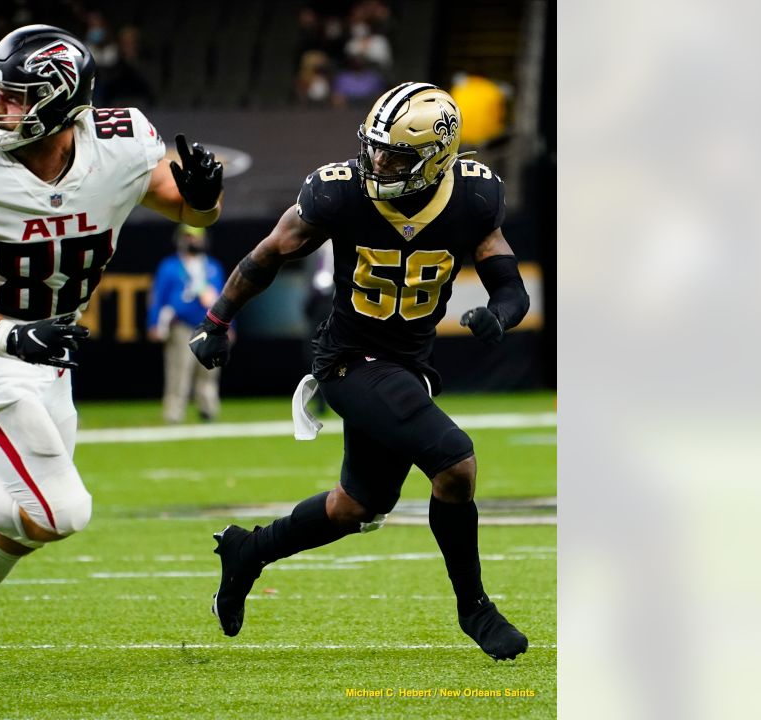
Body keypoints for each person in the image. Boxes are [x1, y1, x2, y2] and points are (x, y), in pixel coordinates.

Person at [0, 25, 223, 709]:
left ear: (63, 104)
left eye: (14, 97)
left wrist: (205, 197)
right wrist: (8, 332)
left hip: (50, 354)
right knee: (62, 510)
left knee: (23, 525)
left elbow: (192, 214)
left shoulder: (120, 145)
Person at [188, 82, 531, 661]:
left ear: (438, 158)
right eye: (375, 148)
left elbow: (510, 287)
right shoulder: (339, 193)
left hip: (408, 364)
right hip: (347, 359)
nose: (379, 162)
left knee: (357, 506)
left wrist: (499, 315)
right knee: (455, 463)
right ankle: (475, 608)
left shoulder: (474, 197)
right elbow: (268, 253)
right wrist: (217, 322)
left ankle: (249, 552)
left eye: (397, 154)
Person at [147, 225, 226, 424]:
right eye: (188, 237)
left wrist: (229, 326)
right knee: (179, 369)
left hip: (210, 325)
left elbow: (226, 298)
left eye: (196, 237)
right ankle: (174, 412)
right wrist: (154, 322)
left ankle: (208, 408)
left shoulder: (213, 267)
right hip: (180, 325)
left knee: (209, 371)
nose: (193, 241)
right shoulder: (170, 266)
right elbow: (157, 297)